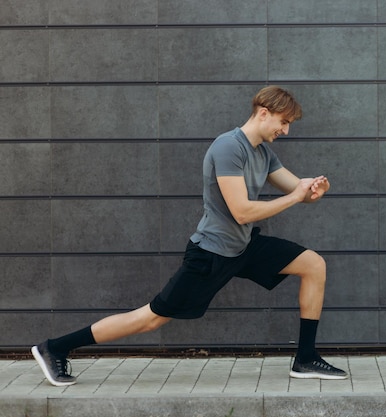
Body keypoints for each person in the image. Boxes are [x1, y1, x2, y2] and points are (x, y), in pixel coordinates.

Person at [31, 85, 348, 386]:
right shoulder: (228, 147)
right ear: (263, 113)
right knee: (151, 318)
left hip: (243, 246)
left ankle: (305, 358)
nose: (286, 130)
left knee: (313, 265)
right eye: (284, 122)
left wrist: (315, 190)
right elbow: (241, 211)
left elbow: (298, 190)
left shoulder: (264, 155)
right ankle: (56, 347)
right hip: (211, 253)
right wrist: (296, 197)